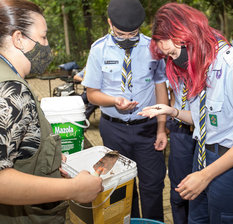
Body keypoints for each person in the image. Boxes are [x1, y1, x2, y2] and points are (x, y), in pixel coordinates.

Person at [138, 3, 233, 223]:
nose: (174, 59)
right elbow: (203, 120)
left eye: (174, 52)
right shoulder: (199, 68)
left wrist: (205, 176)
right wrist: (173, 111)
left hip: (231, 165)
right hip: (202, 156)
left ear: (188, 36)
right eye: (168, 56)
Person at [0, 1, 103, 223]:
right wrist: (73, 188)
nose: (47, 45)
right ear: (18, 39)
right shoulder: (12, 91)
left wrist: (47, 157)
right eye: (43, 37)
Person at [81, 0, 168, 221]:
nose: (128, 39)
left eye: (133, 34)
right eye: (121, 34)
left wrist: (161, 129)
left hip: (147, 129)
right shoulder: (98, 50)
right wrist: (113, 101)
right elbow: (92, 94)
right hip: (113, 131)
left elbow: (160, 89)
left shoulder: (153, 49)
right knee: (121, 185)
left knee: (152, 186)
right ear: (110, 23)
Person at [166, 82, 196, 224]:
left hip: (206, 129)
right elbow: (170, 91)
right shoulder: (172, 67)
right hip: (180, 129)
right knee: (179, 187)